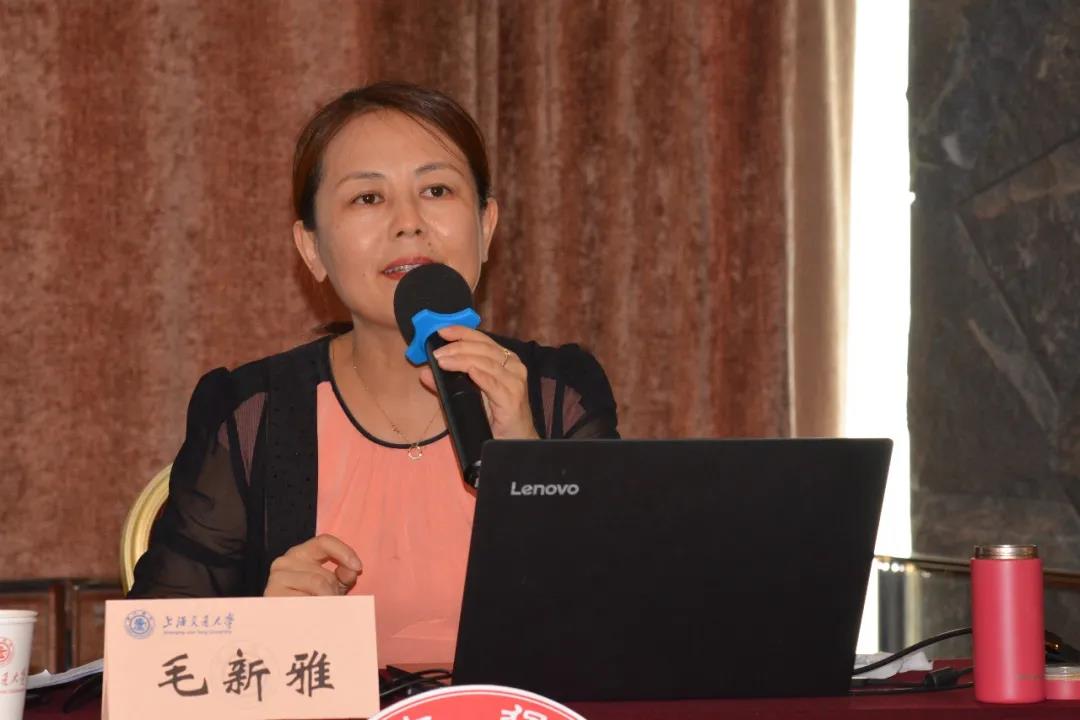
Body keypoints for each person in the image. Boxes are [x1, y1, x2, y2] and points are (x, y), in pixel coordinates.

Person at [128, 82, 619, 665]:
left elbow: (622, 634)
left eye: (436, 190)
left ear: (486, 226)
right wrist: (261, 629)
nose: (409, 223)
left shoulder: (558, 396)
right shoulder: (252, 413)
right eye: (367, 198)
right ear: (311, 248)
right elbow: (149, 662)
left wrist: (528, 468)